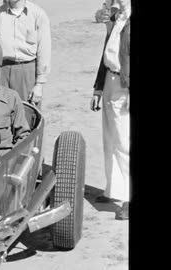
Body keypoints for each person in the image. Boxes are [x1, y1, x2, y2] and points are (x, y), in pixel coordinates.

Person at [90, 0, 130, 220]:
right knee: (111, 140)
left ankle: (127, 199)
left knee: (125, 143)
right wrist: (98, 88)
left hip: (125, 86)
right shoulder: (118, 18)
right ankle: (113, 190)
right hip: (110, 81)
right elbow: (107, 53)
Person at [0, 0, 51, 108]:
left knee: (27, 115)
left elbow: (44, 51)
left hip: (27, 72)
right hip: (2, 72)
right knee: (0, 114)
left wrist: (39, 84)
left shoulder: (38, 14)